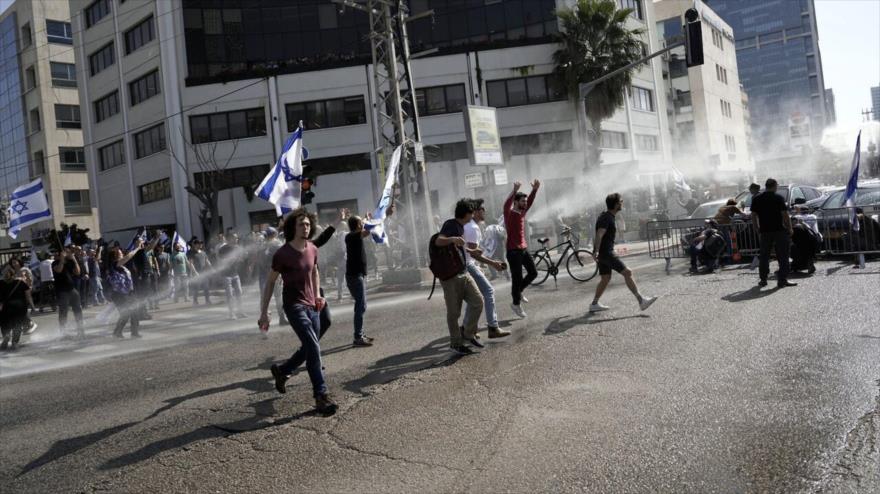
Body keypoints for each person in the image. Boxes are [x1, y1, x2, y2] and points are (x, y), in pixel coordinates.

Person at [262, 208, 337, 415]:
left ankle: (283, 370)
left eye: (307, 224)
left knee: (311, 344)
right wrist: (264, 312)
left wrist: (318, 296)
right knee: (313, 346)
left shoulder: (313, 248)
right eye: (301, 224)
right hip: (294, 306)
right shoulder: (282, 254)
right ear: (292, 228)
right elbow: (269, 283)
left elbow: (314, 271)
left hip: (312, 304)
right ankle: (321, 396)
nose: (305, 227)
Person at [589, 193, 658, 313]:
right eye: (621, 201)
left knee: (605, 278)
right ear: (616, 204)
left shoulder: (607, 216)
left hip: (603, 252)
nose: (622, 202)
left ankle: (594, 304)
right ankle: (641, 301)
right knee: (627, 272)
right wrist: (596, 251)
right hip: (606, 253)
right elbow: (599, 234)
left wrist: (596, 251)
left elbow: (599, 235)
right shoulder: (606, 217)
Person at [435, 199, 485, 355]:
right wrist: (452, 239)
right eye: (472, 212)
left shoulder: (462, 226)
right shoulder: (451, 224)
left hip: (463, 272)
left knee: (478, 302)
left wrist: (475, 251)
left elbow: (462, 249)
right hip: (450, 277)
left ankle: (468, 334)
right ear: (467, 213)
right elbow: (438, 241)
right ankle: (456, 343)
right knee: (454, 313)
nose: (474, 215)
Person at [464, 199, 510, 340]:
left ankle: (467, 328)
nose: (485, 211)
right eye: (482, 209)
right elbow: (472, 253)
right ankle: (493, 327)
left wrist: (483, 262)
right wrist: (492, 263)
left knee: (474, 297)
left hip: (468, 264)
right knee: (489, 291)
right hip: (468, 264)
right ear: (475, 212)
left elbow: (472, 251)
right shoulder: (473, 228)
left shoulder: (471, 226)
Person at [503, 180, 540, 318]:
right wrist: (514, 190)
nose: (525, 203)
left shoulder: (523, 212)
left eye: (525, 201)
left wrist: (534, 190)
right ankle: (516, 304)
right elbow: (506, 204)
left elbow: (530, 201)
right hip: (513, 252)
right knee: (517, 278)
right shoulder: (509, 214)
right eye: (522, 201)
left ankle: (519, 292)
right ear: (516, 202)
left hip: (523, 249)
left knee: (533, 273)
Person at [750, 178, 796, 288]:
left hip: (765, 231)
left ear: (766, 186)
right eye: (777, 185)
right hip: (779, 231)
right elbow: (785, 215)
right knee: (783, 256)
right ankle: (782, 280)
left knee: (764, 256)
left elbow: (753, 215)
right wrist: (790, 228)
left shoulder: (757, 199)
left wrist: (756, 227)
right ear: (774, 186)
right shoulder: (778, 198)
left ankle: (763, 280)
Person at [345, 215, 376, 347]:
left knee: (360, 305)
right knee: (360, 306)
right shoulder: (351, 236)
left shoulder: (354, 236)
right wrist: (370, 221)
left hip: (357, 275)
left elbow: (366, 231)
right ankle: (358, 337)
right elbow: (368, 231)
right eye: (360, 222)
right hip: (355, 276)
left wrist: (366, 220)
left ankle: (360, 334)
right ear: (357, 225)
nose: (362, 224)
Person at [106, 242, 146, 338]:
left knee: (134, 310)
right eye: (120, 253)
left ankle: (133, 332)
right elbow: (129, 256)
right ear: (115, 256)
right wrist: (137, 248)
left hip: (128, 293)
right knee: (126, 313)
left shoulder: (122, 267)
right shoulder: (115, 264)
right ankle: (117, 332)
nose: (122, 254)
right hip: (119, 294)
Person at [53, 247, 85, 337]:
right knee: (63, 312)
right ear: (61, 254)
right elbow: (58, 270)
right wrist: (62, 259)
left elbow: (78, 272)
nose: (68, 253)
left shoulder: (70, 262)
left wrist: (74, 259)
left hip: (72, 289)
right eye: (66, 252)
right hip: (62, 291)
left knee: (78, 310)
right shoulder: (55, 263)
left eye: (68, 252)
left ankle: (81, 330)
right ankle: (63, 332)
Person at [0, 265, 33, 351]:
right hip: (20, 307)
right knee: (17, 325)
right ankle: (14, 342)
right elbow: (28, 296)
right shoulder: (21, 282)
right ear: (14, 274)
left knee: (5, 324)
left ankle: (6, 337)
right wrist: (32, 306)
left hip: (7, 307)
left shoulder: (1, 283)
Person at [258, 228, 284, 324]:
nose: (265, 237)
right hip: (264, 274)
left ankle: (282, 318)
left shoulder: (278, 245)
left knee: (279, 296)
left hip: (275, 274)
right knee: (264, 297)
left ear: (273, 235)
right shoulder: (263, 245)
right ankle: (265, 319)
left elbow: (282, 260)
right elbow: (259, 259)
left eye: (267, 235)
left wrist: (281, 274)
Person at [218, 234, 245, 319]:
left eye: (237, 238)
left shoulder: (237, 248)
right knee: (230, 295)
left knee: (239, 293)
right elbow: (221, 260)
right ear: (229, 239)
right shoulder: (223, 249)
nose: (236, 239)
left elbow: (241, 258)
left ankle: (240, 312)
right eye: (235, 238)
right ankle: (231, 313)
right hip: (226, 275)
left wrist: (240, 259)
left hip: (235, 274)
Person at [188, 239, 213, 305]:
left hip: (204, 273)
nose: (200, 245)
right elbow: (191, 263)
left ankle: (207, 300)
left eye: (201, 243)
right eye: (199, 243)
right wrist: (195, 272)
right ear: (195, 244)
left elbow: (207, 260)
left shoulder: (203, 252)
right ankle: (195, 301)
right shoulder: (191, 253)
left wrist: (211, 267)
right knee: (197, 287)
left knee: (206, 287)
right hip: (197, 273)